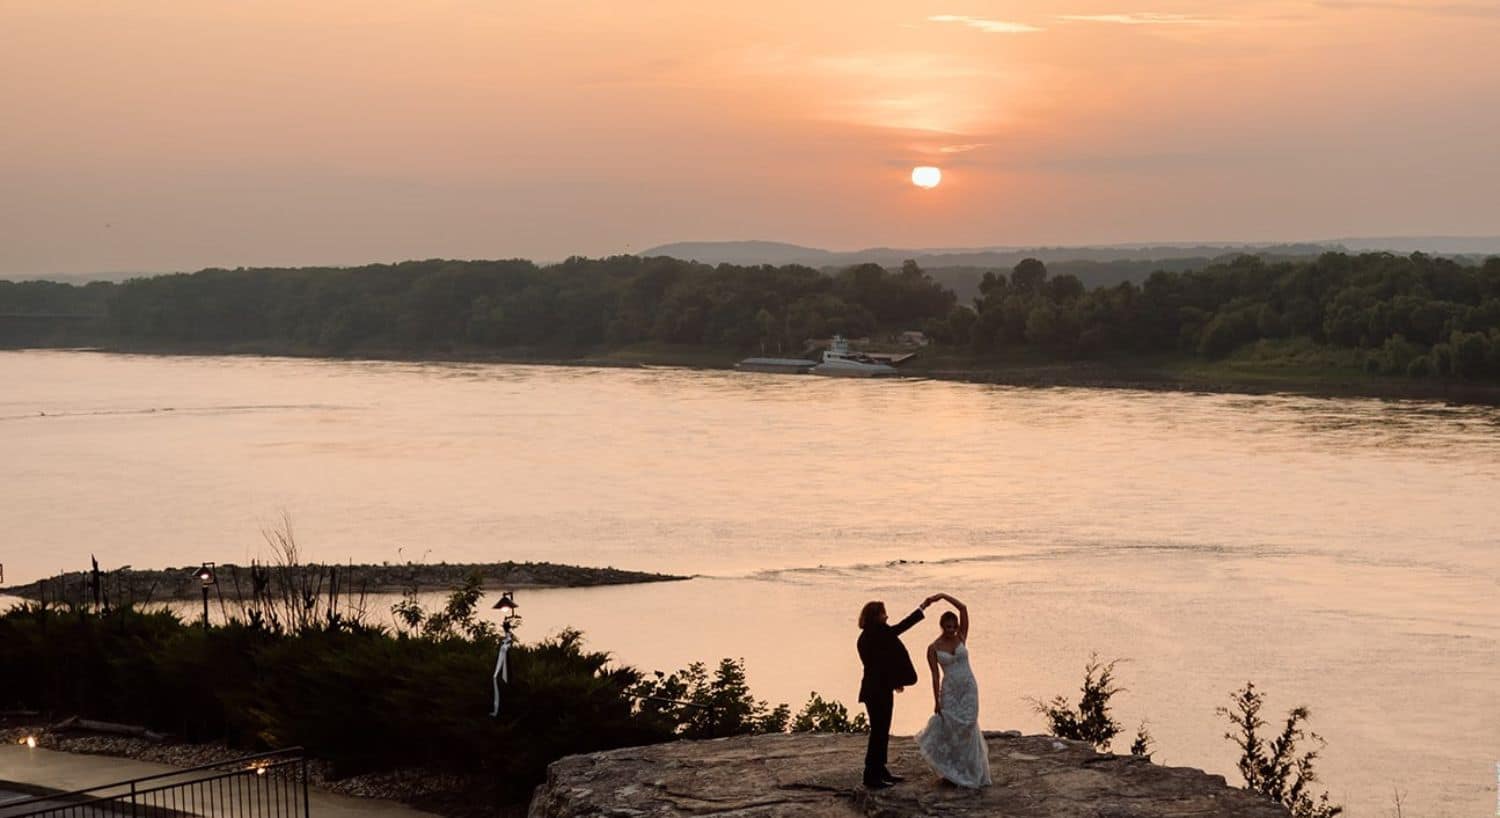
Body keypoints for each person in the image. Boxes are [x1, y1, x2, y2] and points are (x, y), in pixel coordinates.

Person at [856, 595, 939, 789]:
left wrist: (895, 681)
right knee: (879, 732)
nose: (886, 616)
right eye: (883, 613)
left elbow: (881, 663)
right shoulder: (879, 633)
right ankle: (871, 774)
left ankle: (880, 770)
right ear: (875, 616)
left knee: (881, 731)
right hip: (878, 691)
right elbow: (902, 627)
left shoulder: (866, 637)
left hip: (875, 689)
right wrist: (922, 607)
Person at [914, 592, 992, 787]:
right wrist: (936, 700)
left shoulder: (961, 637)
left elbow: (963, 608)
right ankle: (952, 771)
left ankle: (971, 770)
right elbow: (934, 675)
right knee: (951, 728)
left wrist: (941, 596)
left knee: (968, 725)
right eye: (948, 626)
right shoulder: (933, 648)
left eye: (954, 626)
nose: (951, 629)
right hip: (949, 690)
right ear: (942, 626)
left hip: (968, 686)